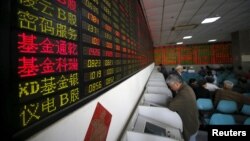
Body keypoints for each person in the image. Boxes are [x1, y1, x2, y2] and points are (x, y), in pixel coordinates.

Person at [166, 74, 200, 141]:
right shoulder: (186, 87)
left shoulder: (183, 93)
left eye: (171, 86)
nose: (170, 88)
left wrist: (169, 99)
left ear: (176, 84)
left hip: (190, 126)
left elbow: (171, 106)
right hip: (194, 123)